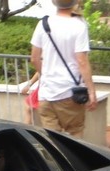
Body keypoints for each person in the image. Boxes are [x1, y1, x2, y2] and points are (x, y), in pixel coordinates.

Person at [29, 0, 97, 138]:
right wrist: (91, 91)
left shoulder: (43, 24)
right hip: (69, 93)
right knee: (75, 135)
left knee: (53, 141)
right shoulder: (79, 26)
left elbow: (34, 58)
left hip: (46, 94)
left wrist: (45, 75)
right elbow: (82, 61)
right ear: (75, 2)